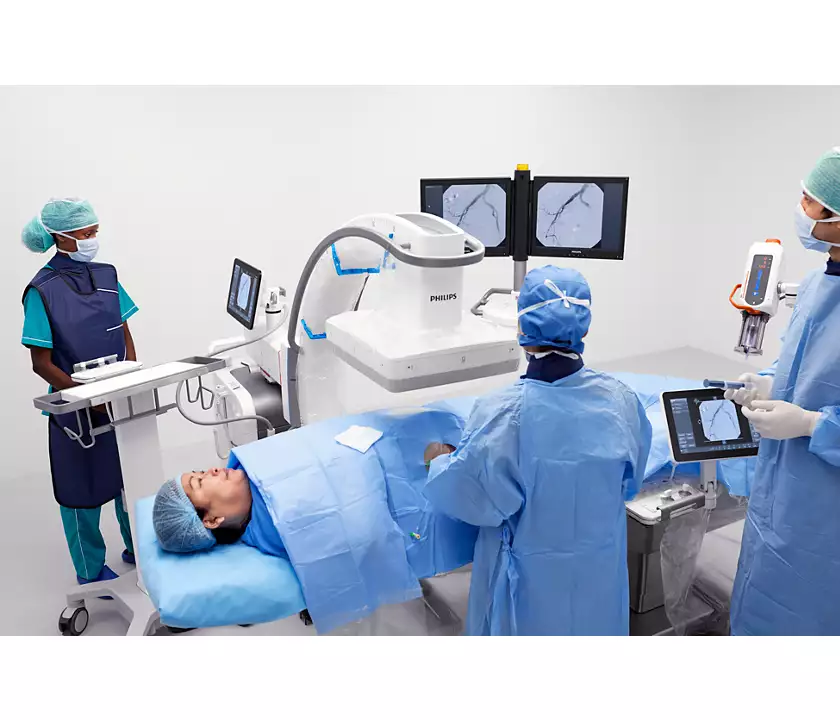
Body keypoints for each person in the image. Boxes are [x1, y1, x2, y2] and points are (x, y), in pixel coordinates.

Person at [423, 266, 652, 636]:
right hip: (597, 578)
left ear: (521, 331)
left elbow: (470, 499)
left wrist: (438, 461)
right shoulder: (621, 401)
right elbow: (629, 483)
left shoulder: (504, 414)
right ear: (585, 329)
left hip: (529, 594)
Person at [726, 148, 840, 635]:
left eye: (812, 202)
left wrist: (814, 424)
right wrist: (770, 381)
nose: (801, 208)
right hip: (779, 497)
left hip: (824, 520)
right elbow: (803, 360)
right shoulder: (815, 285)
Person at [22, 198, 139, 587]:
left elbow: (124, 330)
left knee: (128, 479)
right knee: (81, 490)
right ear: (61, 237)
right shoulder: (41, 291)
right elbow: (41, 363)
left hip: (118, 399)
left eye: (94, 232)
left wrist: (127, 379)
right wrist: (85, 397)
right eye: (85, 234)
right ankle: (90, 572)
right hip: (72, 408)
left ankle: (139, 548)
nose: (92, 239)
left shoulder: (106, 275)